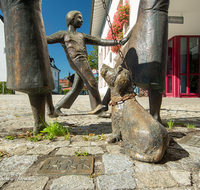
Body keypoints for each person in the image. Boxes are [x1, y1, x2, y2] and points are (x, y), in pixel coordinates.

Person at [47, 10, 132, 115]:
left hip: (82, 61)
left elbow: (99, 41)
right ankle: (98, 109)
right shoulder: (63, 34)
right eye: (79, 17)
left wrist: (117, 42)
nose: (82, 20)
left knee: (77, 87)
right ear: (72, 20)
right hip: (77, 60)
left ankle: (57, 107)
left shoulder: (82, 35)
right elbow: (47, 39)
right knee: (92, 82)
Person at [0, 0, 57, 133]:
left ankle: (41, 121)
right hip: (21, 23)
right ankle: (41, 121)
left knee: (40, 81)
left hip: (25, 22)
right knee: (37, 80)